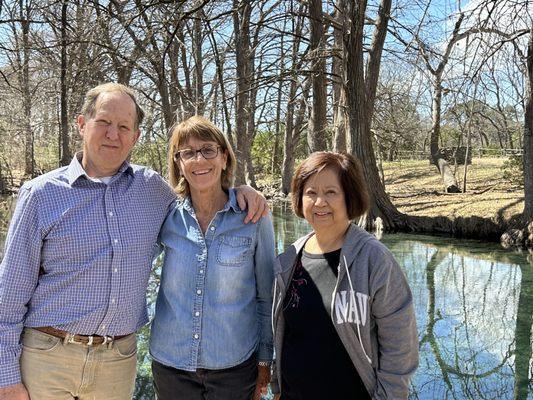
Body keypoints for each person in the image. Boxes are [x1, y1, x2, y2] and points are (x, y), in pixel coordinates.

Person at [0, 83, 267, 400]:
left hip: (118, 362)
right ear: (82, 124)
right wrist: (6, 376)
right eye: (104, 122)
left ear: (136, 137)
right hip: (48, 356)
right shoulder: (41, 194)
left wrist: (243, 193)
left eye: (124, 126)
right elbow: (9, 295)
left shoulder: (152, 190)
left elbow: (204, 191)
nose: (113, 134)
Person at [271, 152, 418, 400]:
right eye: (311, 193)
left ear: (349, 197)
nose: (319, 202)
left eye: (331, 192)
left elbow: (401, 349)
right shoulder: (289, 259)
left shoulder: (375, 261)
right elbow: (285, 335)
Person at [149, 116, 275, 400]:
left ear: (224, 157)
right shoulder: (164, 216)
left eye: (208, 149)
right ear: (178, 163)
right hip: (171, 367)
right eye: (188, 152)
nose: (199, 159)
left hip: (235, 367)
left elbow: (267, 295)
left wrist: (265, 359)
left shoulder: (253, 217)